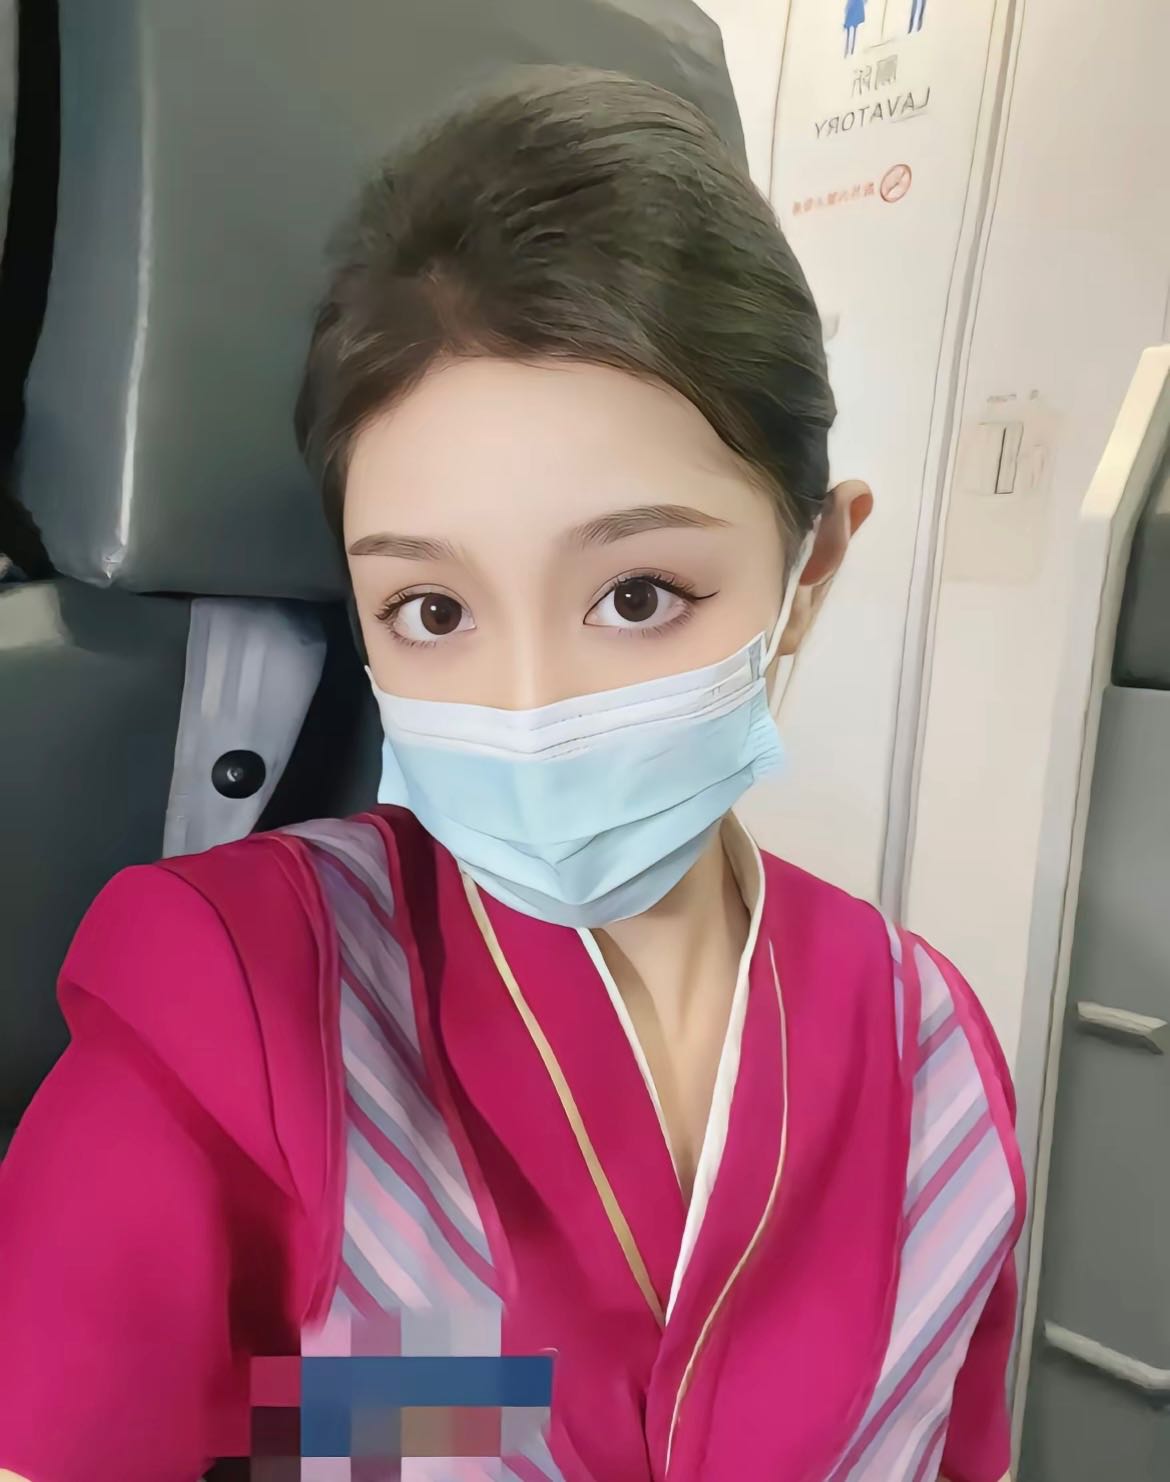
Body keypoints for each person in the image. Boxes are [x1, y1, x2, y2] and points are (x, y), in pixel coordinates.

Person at [0, 68, 1023, 1482]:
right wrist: (348, 1416)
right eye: (433, 610)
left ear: (808, 573)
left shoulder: (934, 1065)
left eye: (638, 594)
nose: (531, 709)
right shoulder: (238, 999)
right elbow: (130, 1430)